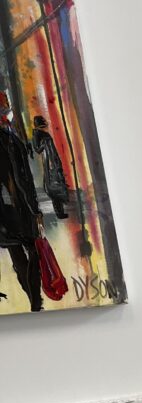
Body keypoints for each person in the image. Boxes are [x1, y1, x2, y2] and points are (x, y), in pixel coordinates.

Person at [0, 92, 42, 311]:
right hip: (11, 208)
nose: (7, 112)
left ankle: (35, 301)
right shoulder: (8, 138)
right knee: (22, 255)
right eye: (4, 108)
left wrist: (34, 207)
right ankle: (35, 302)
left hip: (20, 206)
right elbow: (17, 176)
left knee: (28, 253)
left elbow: (24, 176)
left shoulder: (12, 136)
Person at [32, 115, 69, 219]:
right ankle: (59, 213)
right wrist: (44, 144)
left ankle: (60, 212)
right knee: (53, 186)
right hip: (48, 163)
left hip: (53, 160)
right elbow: (37, 149)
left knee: (57, 184)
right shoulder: (36, 134)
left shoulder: (44, 133)